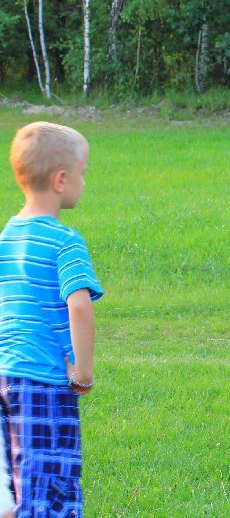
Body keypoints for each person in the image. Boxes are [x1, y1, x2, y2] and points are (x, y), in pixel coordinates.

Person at [0, 122, 103, 515]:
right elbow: (79, 306)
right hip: (43, 382)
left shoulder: (7, 236)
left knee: (14, 484)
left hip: (5, 376)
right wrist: (83, 371)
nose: (84, 181)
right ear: (61, 180)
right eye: (83, 172)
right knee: (49, 485)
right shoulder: (65, 241)